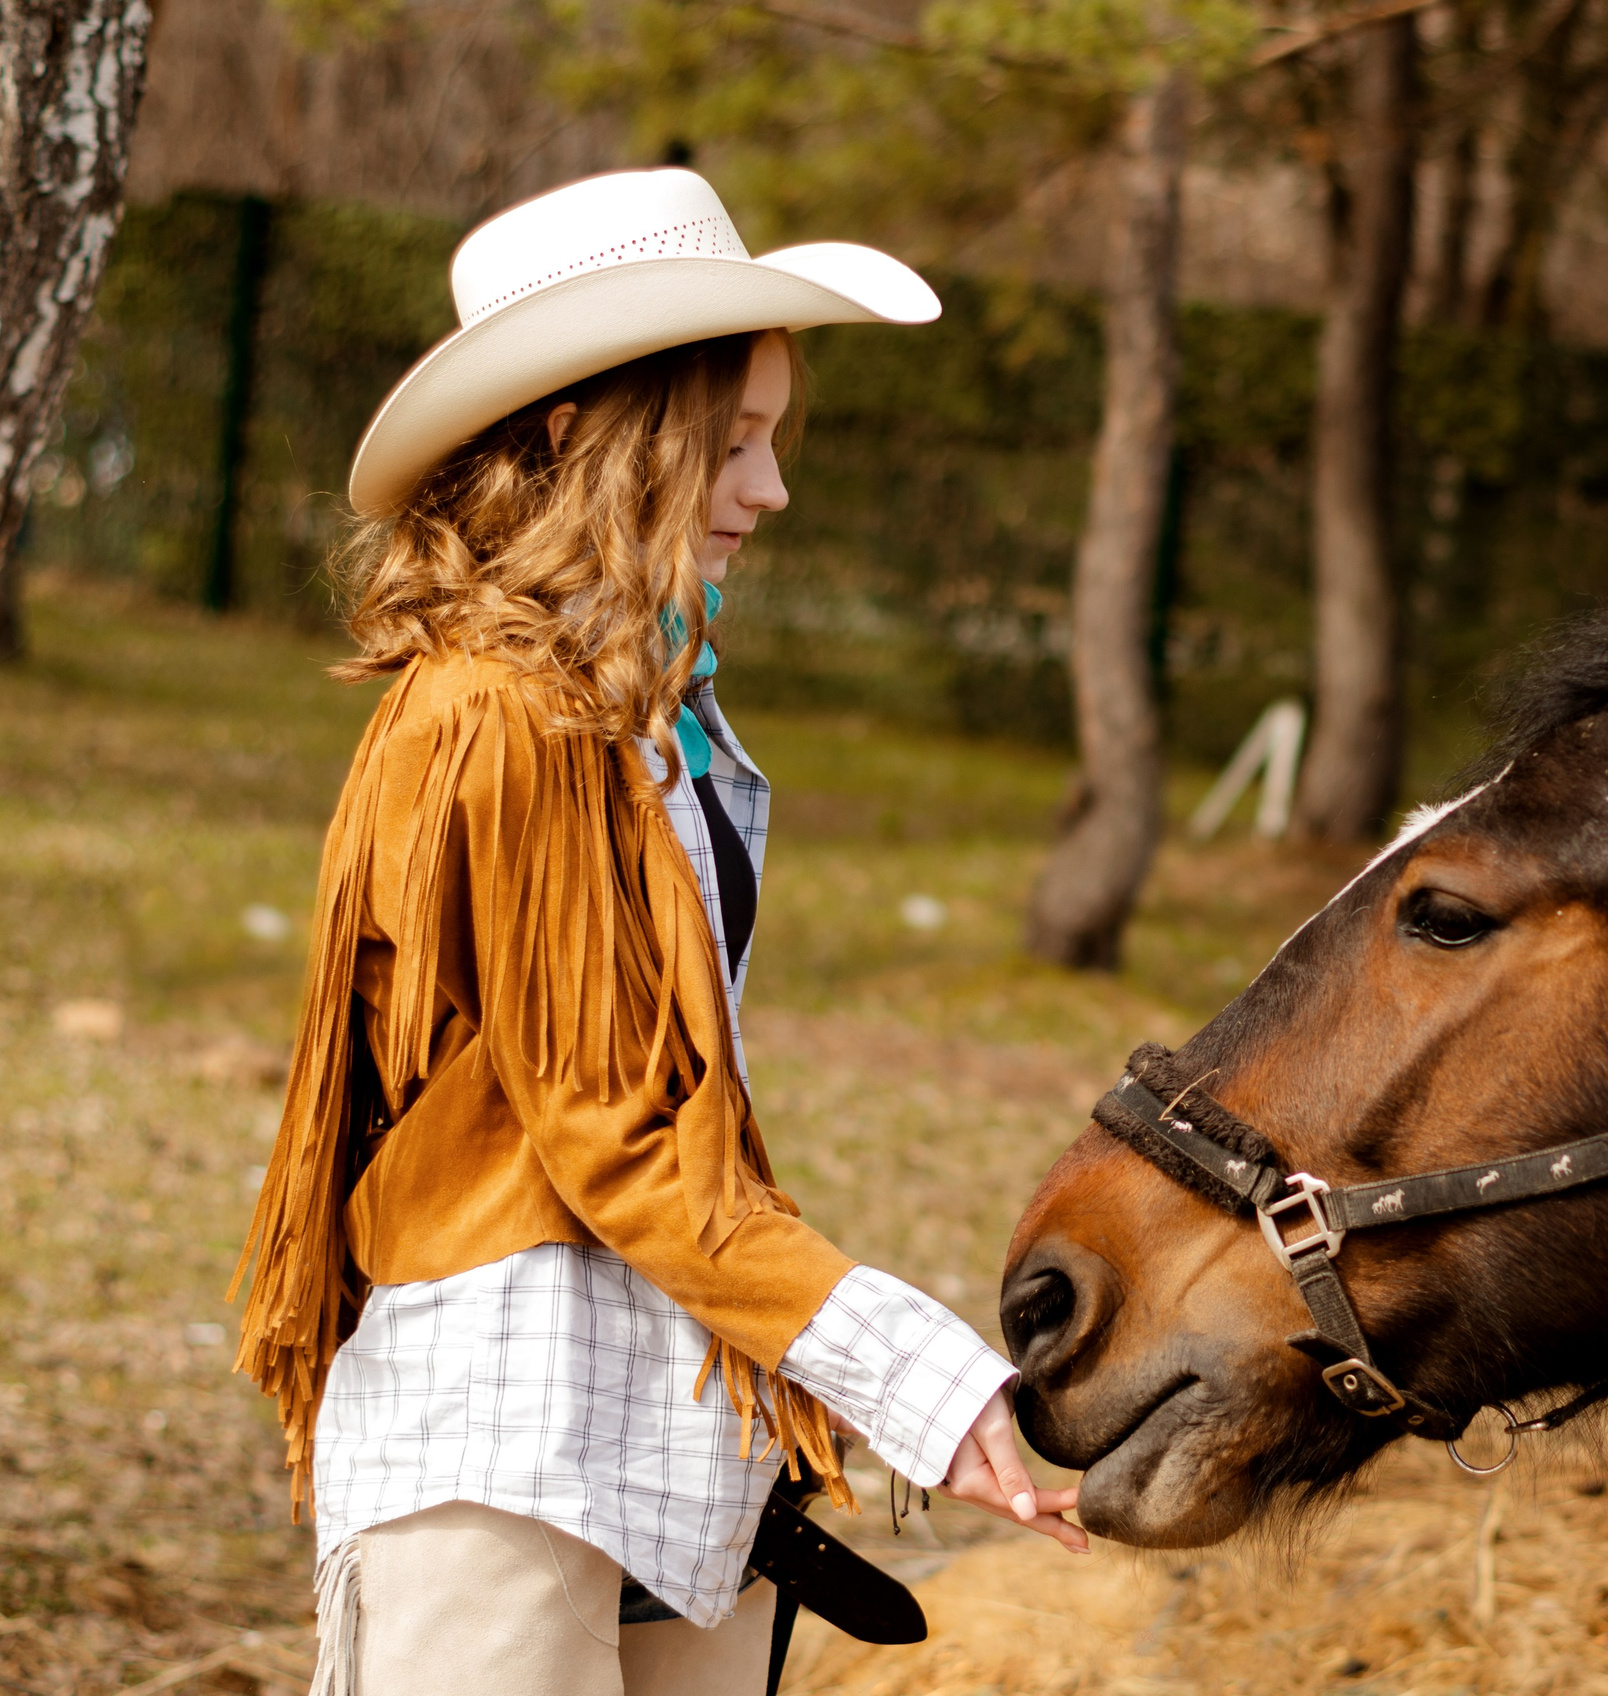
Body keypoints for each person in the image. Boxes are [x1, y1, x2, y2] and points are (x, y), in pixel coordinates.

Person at [231, 168, 1084, 1696]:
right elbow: (618, 1138)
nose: (770, 491)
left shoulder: (645, 717)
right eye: (732, 445)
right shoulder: (499, 718)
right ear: (578, 434)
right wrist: (920, 1380)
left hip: (669, 1439)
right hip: (505, 1460)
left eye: (769, 442)